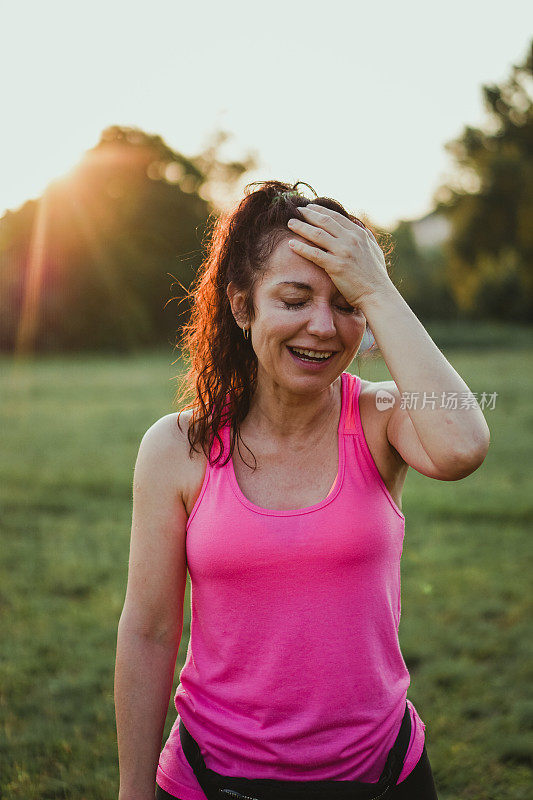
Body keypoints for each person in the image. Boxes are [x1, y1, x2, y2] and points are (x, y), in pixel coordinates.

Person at [114, 180, 491, 800]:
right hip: (213, 782)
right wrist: (133, 790)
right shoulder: (176, 447)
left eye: (346, 304)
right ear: (242, 307)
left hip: (381, 778)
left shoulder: (382, 416)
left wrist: (377, 287)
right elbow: (150, 631)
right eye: (294, 300)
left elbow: (461, 446)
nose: (323, 327)